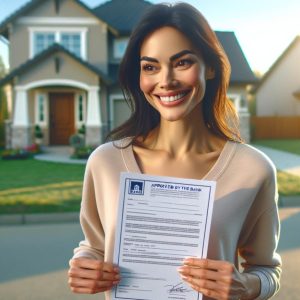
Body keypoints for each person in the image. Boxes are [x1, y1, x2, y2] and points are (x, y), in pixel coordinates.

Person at [68, 2, 281, 300]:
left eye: (182, 62)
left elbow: (266, 270)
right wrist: (84, 264)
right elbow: (94, 247)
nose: (165, 80)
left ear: (210, 68)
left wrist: (247, 286)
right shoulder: (105, 162)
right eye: (150, 67)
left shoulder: (253, 170)